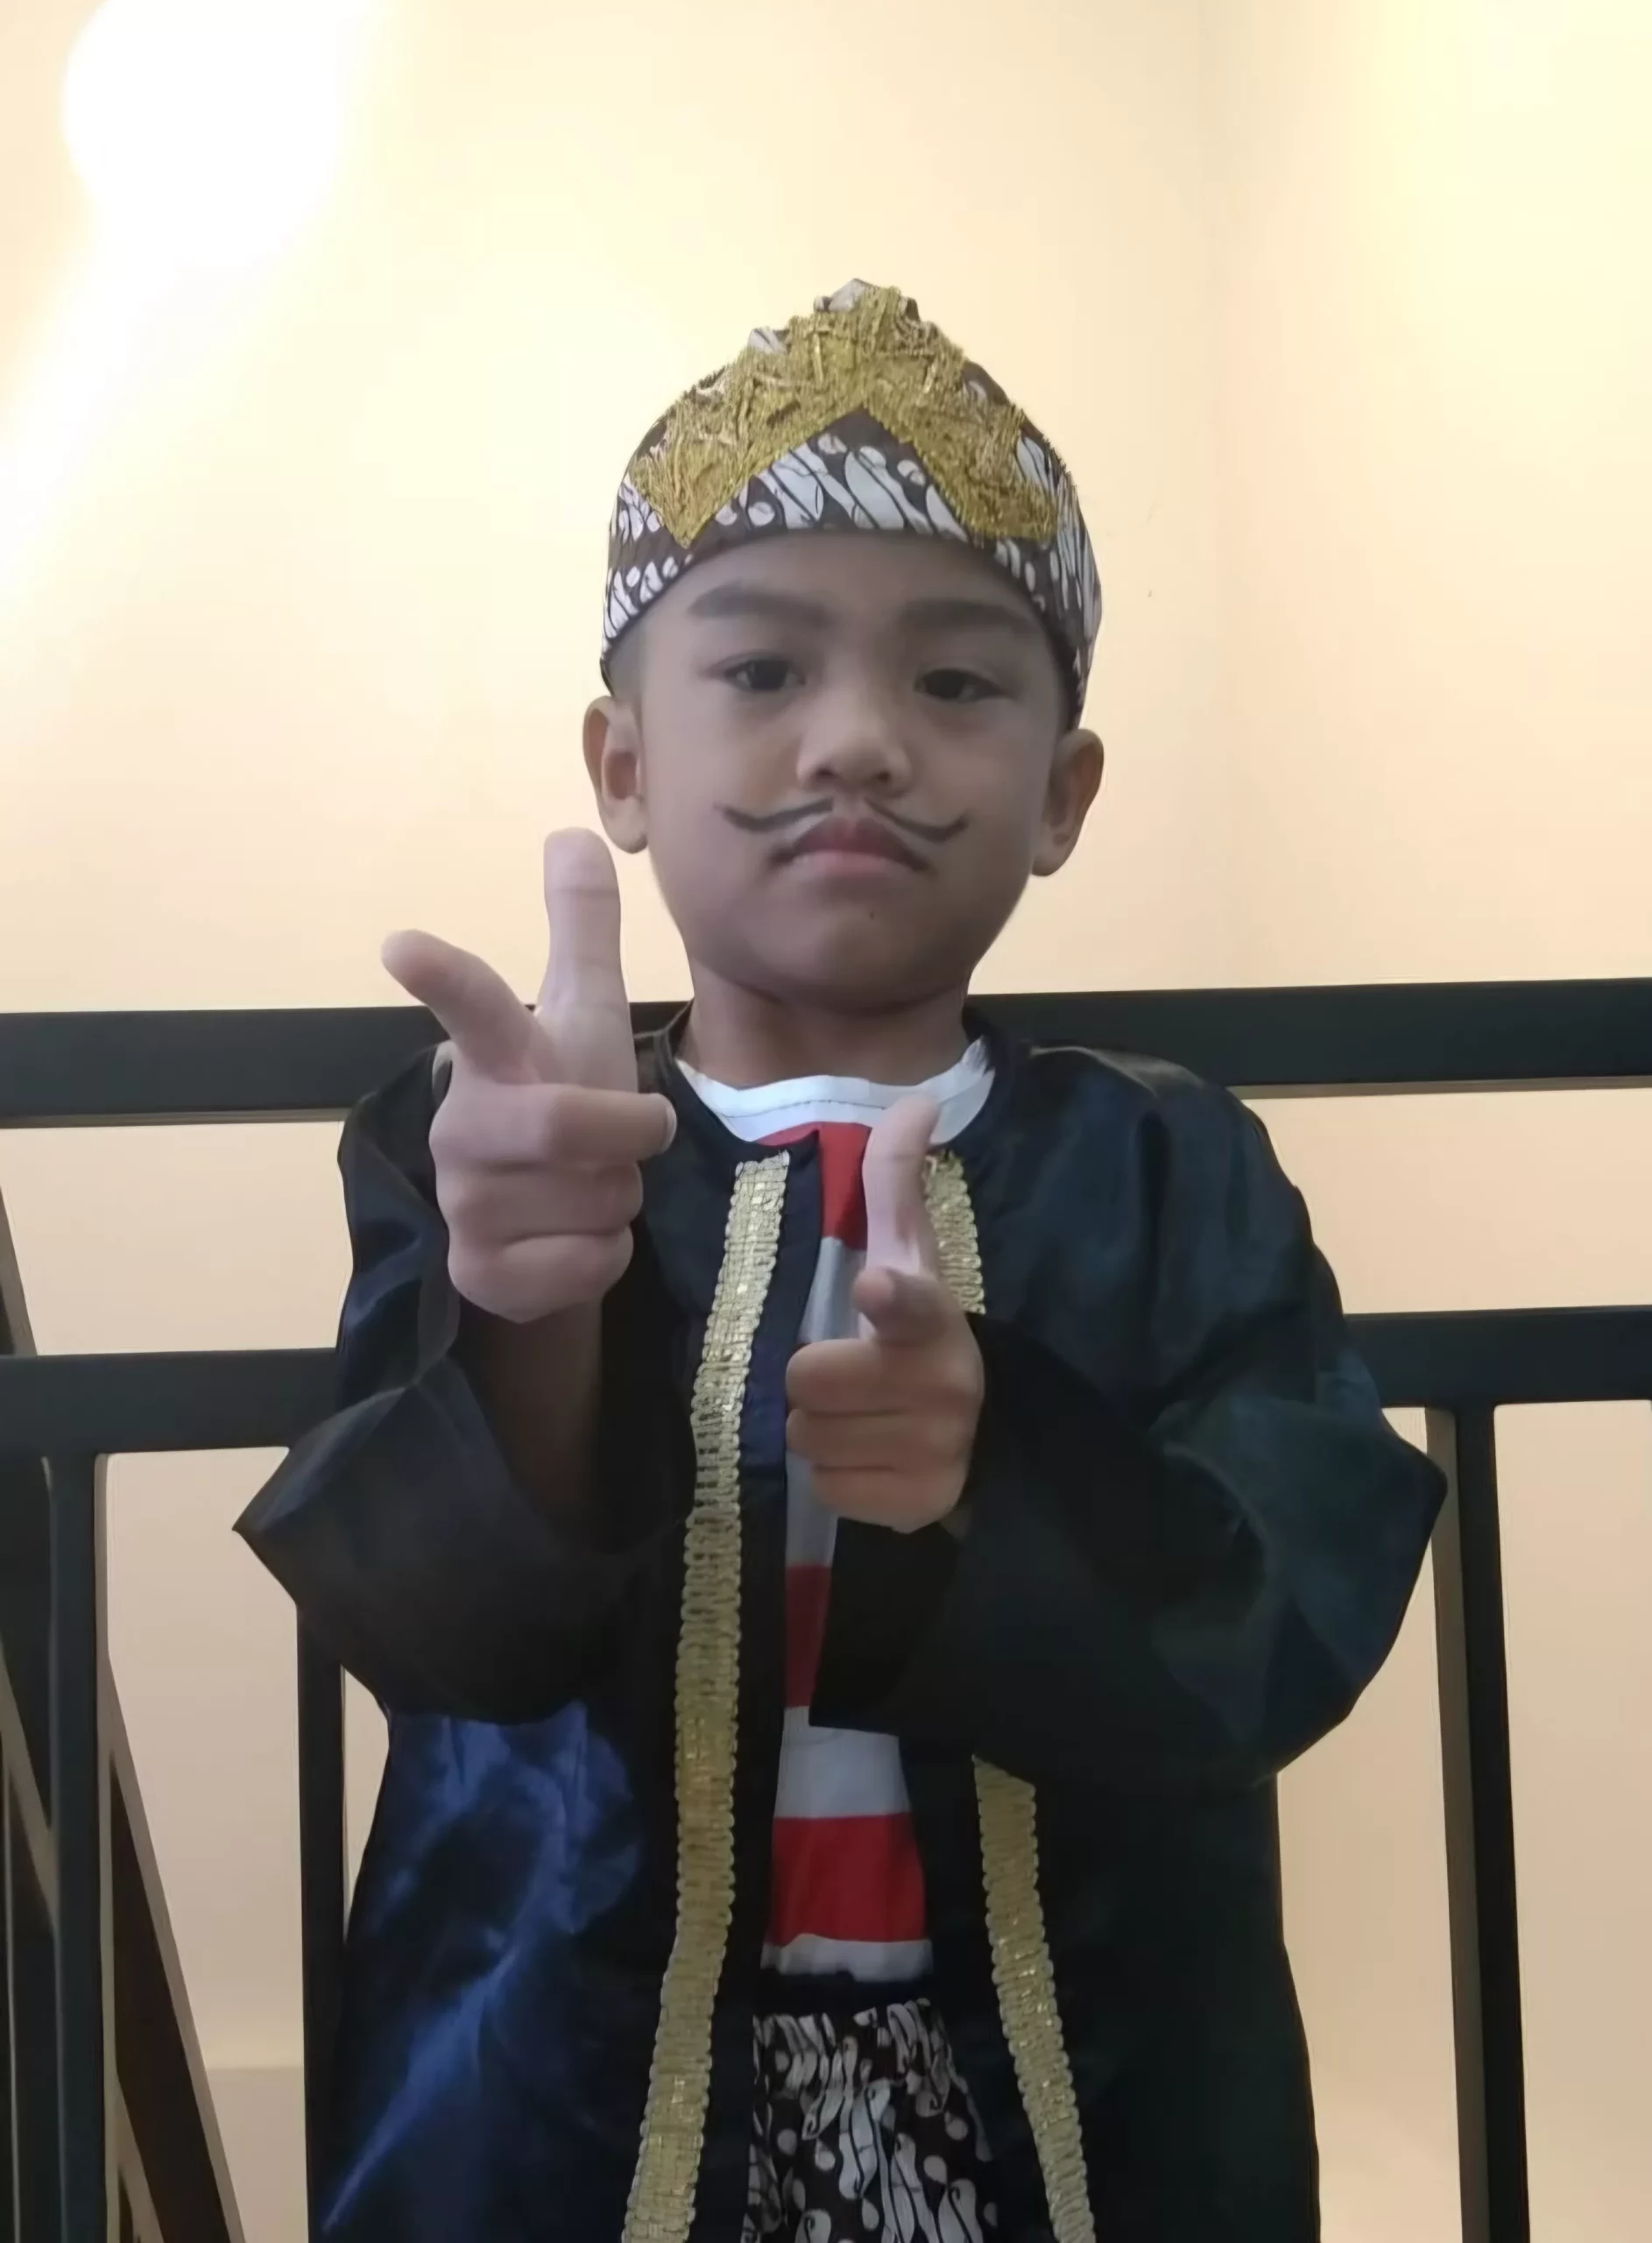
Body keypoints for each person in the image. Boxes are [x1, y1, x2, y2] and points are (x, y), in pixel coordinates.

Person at [240, 281, 1442, 2243]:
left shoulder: (1166, 1170)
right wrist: (527, 1314)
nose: (861, 741)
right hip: (563, 2081)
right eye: (763, 667)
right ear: (623, 768)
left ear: (1063, 794)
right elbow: (450, 1639)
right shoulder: (479, 1138)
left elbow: (1284, 1607)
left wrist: (995, 1474)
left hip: (1090, 2094)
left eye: (956, 683)